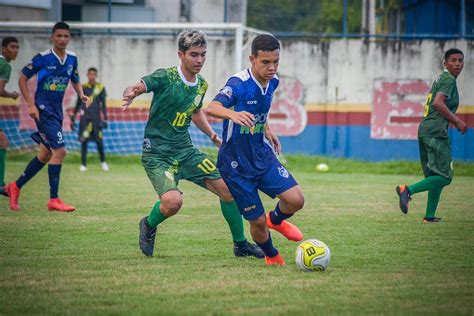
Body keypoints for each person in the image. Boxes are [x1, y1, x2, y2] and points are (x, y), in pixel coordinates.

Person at [121, 29, 263, 259]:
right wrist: (130, 93)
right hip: (157, 155)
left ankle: (240, 244)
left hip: (185, 152)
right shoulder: (166, 77)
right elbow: (138, 86)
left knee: (229, 190)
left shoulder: (201, 85)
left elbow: (195, 111)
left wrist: (213, 136)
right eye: (194, 55)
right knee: (172, 203)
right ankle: (148, 224)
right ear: (181, 54)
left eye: (203, 55)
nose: (199, 60)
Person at [206, 34, 305, 266]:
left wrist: (267, 128)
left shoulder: (274, 81)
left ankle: (277, 220)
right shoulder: (238, 83)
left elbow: (260, 108)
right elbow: (212, 107)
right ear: (252, 59)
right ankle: (272, 255)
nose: (272, 68)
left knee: (296, 200)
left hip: (261, 154)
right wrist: (233, 114)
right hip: (235, 165)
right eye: (265, 62)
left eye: (276, 62)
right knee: (257, 222)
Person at [5, 22, 90, 212]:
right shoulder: (43, 58)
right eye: (58, 36)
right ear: (52, 37)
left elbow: (75, 79)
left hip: (57, 112)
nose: (62, 39)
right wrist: (31, 104)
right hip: (44, 111)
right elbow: (22, 79)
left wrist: (81, 94)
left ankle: (15, 186)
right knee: (60, 152)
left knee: (45, 154)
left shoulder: (72, 58)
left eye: (65, 36)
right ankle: (54, 199)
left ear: (69, 38)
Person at [396, 48, 467, 223]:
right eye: (453, 60)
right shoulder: (448, 79)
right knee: (444, 177)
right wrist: (457, 121)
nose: (457, 63)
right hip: (435, 132)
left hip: (426, 130)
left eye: (460, 60)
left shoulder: (441, 79)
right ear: (445, 63)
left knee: (435, 176)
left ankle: (429, 216)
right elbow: (438, 103)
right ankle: (407, 190)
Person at [71, 67, 109, 172]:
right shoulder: (82, 87)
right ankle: (83, 164)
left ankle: (103, 162)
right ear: (87, 75)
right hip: (85, 119)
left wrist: (105, 118)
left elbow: (104, 104)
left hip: (96, 119)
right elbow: (78, 104)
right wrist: (73, 118)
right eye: (90, 74)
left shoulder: (100, 88)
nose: (92, 76)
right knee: (84, 141)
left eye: (93, 74)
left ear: (96, 76)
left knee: (99, 141)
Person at [0, 37, 20, 197]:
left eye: (17, 47)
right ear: (3, 48)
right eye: (12, 47)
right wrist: (12, 95)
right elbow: (0, 90)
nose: (15, 50)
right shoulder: (5, 65)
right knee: (3, 141)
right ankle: (0, 185)